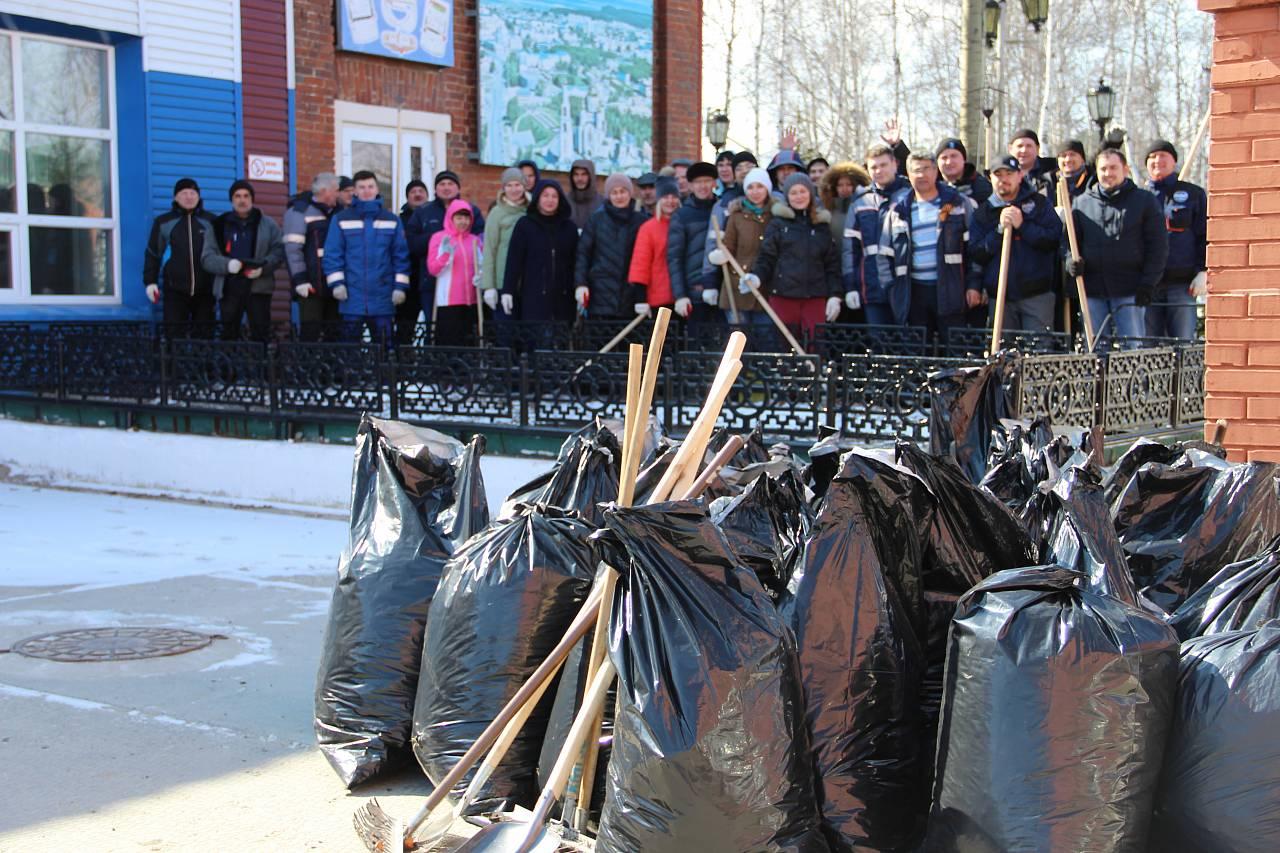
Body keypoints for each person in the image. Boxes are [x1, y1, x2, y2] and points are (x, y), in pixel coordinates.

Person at [1063, 147, 1168, 346]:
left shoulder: (1144, 201)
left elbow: (1158, 246)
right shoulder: (1081, 203)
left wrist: (1148, 283)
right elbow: (1068, 242)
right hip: (1093, 289)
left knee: (1132, 346)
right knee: (1094, 347)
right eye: (1103, 169)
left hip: (1130, 288)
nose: (1108, 173)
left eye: (1113, 168)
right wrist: (1071, 261)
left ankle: (1133, 378)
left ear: (1125, 169)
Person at [878, 152, 982, 339]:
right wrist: (893, 290)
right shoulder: (898, 210)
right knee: (918, 354)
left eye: (926, 169)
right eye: (916, 170)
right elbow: (884, 255)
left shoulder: (956, 203)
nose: (922, 175)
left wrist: (973, 285)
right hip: (913, 293)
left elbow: (974, 249)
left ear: (936, 171)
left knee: (955, 350)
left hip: (951, 290)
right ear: (908, 175)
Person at [739, 173, 842, 338]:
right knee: (784, 347)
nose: (799, 197)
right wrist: (757, 276)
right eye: (793, 193)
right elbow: (767, 256)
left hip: (814, 297)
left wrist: (835, 295)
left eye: (803, 191)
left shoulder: (821, 227)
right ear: (787, 196)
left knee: (815, 344)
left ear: (810, 193)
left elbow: (832, 264)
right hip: (783, 296)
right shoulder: (778, 224)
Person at [970, 156, 1064, 333]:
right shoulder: (983, 213)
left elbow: (1053, 240)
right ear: (990, 178)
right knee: (1004, 354)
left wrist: (1023, 226)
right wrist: (999, 231)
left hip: (1036, 295)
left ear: (1020, 176)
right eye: (998, 174)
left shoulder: (1039, 204)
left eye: (1009, 173)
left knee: (1037, 353)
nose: (1004, 179)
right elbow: (977, 253)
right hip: (1000, 297)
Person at [322, 170, 410, 342]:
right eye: (362, 187)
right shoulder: (341, 219)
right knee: (350, 348)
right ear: (354, 191)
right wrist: (337, 284)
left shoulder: (392, 220)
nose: (367, 191)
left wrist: (400, 287)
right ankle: (351, 370)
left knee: (384, 348)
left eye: (370, 186)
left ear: (377, 189)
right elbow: (333, 254)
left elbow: (400, 256)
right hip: (351, 295)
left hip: (383, 295)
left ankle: (384, 371)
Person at [405, 170, 485, 345]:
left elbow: (480, 240)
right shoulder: (423, 212)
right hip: (430, 280)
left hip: (465, 284)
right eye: (442, 184)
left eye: (450, 184)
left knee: (465, 331)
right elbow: (411, 243)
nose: (446, 188)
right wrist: (439, 239)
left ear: (458, 187)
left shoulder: (471, 210)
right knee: (434, 327)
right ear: (435, 189)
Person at [203, 179, 285, 341]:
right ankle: (230, 366)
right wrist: (227, 265)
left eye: (246, 196)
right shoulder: (218, 225)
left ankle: (261, 366)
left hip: (258, 286)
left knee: (261, 335)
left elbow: (279, 251)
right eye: (237, 196)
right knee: (228, 336)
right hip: (229, 287)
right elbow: (207, 258)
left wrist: (263, 268)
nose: (242, 200)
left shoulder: (268, 224)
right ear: (231, 200)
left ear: (252, 199)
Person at [1142, 139, 1206, 341]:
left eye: (1163, 156)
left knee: (1182, 345)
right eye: (1152, 156)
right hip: (1147, 285)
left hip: (1182, 284)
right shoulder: (1138, 197)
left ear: (1174, 161)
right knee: (1147, 347)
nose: (1157, 160)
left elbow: (1205, 234)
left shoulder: (1193, 194)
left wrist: (1203, 270)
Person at [501, 178, 578, 342]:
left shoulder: (569, 228)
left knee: (561, 345)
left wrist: (578, 287)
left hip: (563, 298)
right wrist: (508, 290)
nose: (550, 200)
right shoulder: (525, 225)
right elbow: (514, 260)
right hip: (533, 297)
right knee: (536, 344)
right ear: (537, 198)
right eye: (545, 196)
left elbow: (576, 262)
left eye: (554, 196)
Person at [143, 177, 219, 336]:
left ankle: (203, 362)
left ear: (198, 197)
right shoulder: (164, 222)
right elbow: (153, 253)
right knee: (173, 337)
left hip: (205, 291)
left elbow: (221, 254)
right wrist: (150, 282)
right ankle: (172, 362)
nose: (189, 197)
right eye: (184, 193)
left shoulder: (211, 221)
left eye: (193, 193)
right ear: (175, 197)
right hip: (175, 291)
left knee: (204, 337)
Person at [845, 143, 910, 325]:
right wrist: (850, 287)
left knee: (909, 343)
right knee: (878, 345)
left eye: (883, 165)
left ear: (895, 164)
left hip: (906, 286)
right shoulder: (860, 203)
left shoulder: (909, 195)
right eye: (874, 167)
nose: (879, 171)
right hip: (872, 288)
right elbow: (850, 250)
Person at [575, 172, 648, 320]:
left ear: (630, 193)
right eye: (614, 192)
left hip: (631, 297)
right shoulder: (596, 220)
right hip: (600, 296)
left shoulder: (641, 222)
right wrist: (580, 284)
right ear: (609, 195)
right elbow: (583, 254)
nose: (619, 196)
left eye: (623, 191)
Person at [284, 172, 342, 341]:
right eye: (336, 190)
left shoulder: (338, 212)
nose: (338, 194)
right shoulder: (299, 212)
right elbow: (292, 249)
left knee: (334, 334)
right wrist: (300, 280)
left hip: (335, 286)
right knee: (310, 334)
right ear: (325, 191)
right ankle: (307, 367)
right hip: (311, 287)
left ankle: (332, 368)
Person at [715, 167, 776, 325]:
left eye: (759, 186)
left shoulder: (776, 216)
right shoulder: (736, 216)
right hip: (737, 285)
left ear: (767, 188)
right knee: (739, 337)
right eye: (750, 187)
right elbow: (729, 245)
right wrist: (721, 255)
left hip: (766, 286)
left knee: (765, 337)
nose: (755, 191)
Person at [426, 199, 484, 346]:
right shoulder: (439, 238)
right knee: (450, 343)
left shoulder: (474, 240)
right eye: (459, 218)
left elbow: (483, 264)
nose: (463, 222)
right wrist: (445, 255)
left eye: (466, 218)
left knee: (470, 343)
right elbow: (433, 269)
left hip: (472, 300)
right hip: (448, 302)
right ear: (450, 218)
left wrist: (481, 277)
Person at [667, 161, 718, 321]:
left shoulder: (722, 209)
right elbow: (674, 258)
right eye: (697, 182)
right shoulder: (682, 216)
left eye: (707, 181)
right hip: (695, 291)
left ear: (714, 183)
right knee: (696, 343)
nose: (702, 186)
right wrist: (680, 295)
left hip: (723, 290)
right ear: (690, 186)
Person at [479, 167, 529, 319]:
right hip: (502, 282)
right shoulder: (497, 213)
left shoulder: (530, 210)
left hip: (527, 282)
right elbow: (490, 249)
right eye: (509, 185)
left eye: (517, 185)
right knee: (506, 331)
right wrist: (489, 286)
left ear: (524, 186)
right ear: (503, 188)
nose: (514, 189)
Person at [628, 177, 681, 317]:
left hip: (682, 297)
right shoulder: (648, 228)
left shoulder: (683, 225)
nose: (670, 201)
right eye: (665, 197)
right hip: (658, 298)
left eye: (674, 196)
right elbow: (641, 264)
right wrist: (640, 298)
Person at [936, 138, 992, 205]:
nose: (949, 162)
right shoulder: (929, 186)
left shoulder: (982, 188)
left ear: (964, 159)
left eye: (954, 156)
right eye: (944, 158)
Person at [1009, 129, 1058, 194]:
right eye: (1019, 146)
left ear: (1037, 148)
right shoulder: (1000, 172)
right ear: (1010, 149)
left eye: (1029, 146)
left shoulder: (1054, 168)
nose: (1024, 150)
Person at [567, 159, 600, 231]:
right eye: (576, 174)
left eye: (584, 174)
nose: (580, 179)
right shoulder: (564, 201)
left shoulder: (601, 203)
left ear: (591, 176)